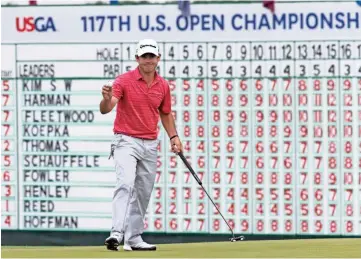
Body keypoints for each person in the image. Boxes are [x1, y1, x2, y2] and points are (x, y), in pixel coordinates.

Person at [99, 39, 183, 251]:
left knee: (143, 191)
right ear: (137, 58)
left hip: (150, 143)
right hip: (125, 140)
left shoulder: (163, 85)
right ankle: (116, 233)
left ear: (158, 59)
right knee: (125, 183)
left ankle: (133, 238)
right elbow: (107, 108)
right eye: (144, 56)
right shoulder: (123, 81)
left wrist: (174, 137)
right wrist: (106, 99)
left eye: (151, 56)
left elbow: (165, 112)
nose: (148, 60)